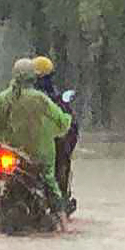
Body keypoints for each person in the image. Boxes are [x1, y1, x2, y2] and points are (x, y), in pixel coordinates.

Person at [0, 57, 73, 215]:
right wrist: (68, 118)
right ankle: (61, 217)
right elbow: (62, 124)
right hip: (37, 157)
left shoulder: (1, 99)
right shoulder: (40, 99)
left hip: (7, 153)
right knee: (51, 184)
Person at [34, 55, 80, 208]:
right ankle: (58, 204)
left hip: (17, 146)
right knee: (60, 163)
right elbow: (67, 123)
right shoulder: (48, 102)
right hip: (43, 148)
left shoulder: (7, 98)